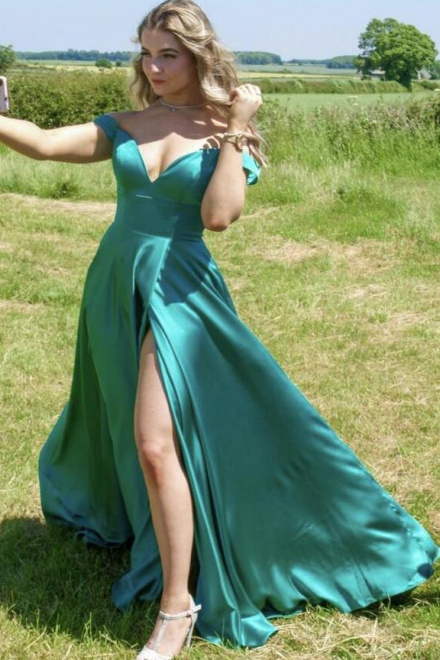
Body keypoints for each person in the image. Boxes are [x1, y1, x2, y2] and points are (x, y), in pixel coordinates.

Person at [0, 1, 438, 659]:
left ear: (198, 56)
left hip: (181, 292)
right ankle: (165, 541)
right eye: (146, 53)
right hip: (116, 285)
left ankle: (178, 606)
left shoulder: (227, 129)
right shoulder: (127, 124)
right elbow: (40, 140)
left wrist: (235, 130)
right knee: (132, 429)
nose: (153, 67)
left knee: (156, 443)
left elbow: (220, 216)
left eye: (168, 55)